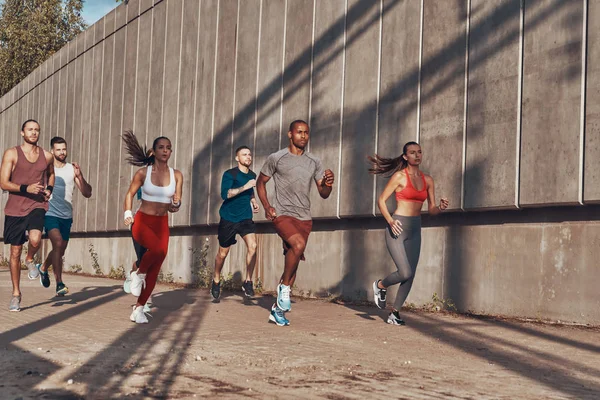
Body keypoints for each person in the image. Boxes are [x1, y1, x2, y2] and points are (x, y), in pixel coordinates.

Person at [256, 120, 334, 326]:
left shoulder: (314, 162)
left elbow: (323, 194)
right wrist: (267, 206)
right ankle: (284, 290)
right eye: (299, 132)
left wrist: (328, 184)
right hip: (282, 214)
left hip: (304, 217)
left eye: (306, 133)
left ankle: (277, 310)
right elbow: (260, 182)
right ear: (290, 134)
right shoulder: (277, 158)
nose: (303, 136)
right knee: (297, 245)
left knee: (295, 259)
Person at [369, 141, 449, 325]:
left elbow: (431, 210)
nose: (417, 155)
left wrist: (441, 208)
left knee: (410, 274)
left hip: (415, 227)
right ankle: (380, 285)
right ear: (405, 156)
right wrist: (390, 220)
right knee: (404, 272)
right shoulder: (399, 177)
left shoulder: (428, 180)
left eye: (419, 152)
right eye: (412, 152)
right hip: (397, 226)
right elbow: (381, 200)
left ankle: (394, 313)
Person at [122, 130, 183, 324]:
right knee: (156, 251)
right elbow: (130, 194)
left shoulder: (177, 175)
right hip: (142, 221)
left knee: (157, 264)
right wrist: (128, 213)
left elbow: (175, 207)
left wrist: (176, 204)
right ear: (153, 151)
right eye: (161, 147)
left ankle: (138, 309)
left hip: (162, 223)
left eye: (168, 148)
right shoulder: (143, 173)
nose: (165, 151)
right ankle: (138, 273)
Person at [0, 119, 55, 311]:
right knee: (14, 252)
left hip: (37, 204)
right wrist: (26, 187)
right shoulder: (12, 153)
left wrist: (49, 188)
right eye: (30, 130)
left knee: (35, 239)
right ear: (22, 133)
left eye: (37, 130)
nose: (34, 133)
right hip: (15, 208)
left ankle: (30, 259)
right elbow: (3, 183)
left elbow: (51, 174)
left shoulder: (47, 156)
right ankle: (16, 293)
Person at [38, 137, 92, 296]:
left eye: (64, 149)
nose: (62, 152)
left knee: (59, 250)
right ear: (52, 151)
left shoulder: (71, 169)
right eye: (58, 149)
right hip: (50, 213)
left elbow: (87, 193)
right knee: (58, 243)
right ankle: (59, 283)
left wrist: (80, 175)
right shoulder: (47, 170)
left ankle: (43, 268)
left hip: (66, 216)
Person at [211, 146, 259, 300]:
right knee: (222, 254)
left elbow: (250, 191)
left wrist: (253, 200)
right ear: (237, 158)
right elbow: (225, 194)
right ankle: (216, 279)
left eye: (250, 154)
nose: (248, 157)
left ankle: (248, 281)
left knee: (253, 246)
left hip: (245, 217)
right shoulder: (230, 174)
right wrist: (246, 186)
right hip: (229, 218)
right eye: (244, 154)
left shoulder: (252, 175)